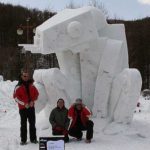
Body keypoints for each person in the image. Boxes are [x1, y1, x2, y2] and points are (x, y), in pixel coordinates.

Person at [13, 69, 39, 145]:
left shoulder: (32, 85)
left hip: (31, 107)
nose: (26, 77)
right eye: (24, 76)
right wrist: (24, 103)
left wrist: (32, 101)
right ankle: (23, 140)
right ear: (21, 76)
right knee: (23, 124)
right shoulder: (18, 86)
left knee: (32, 123)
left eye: (27, 76)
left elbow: (37, 94)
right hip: (23, 109)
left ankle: (33, 139)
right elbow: (15, 97)